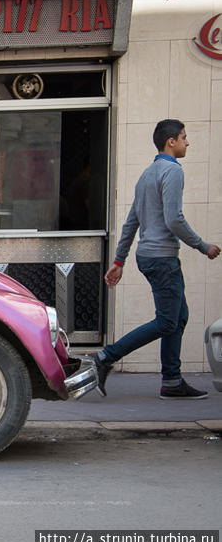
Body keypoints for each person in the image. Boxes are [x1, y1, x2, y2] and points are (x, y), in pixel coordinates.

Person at [91, 119, 220, 399]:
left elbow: (131, 222)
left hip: (147, 257)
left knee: (178, 316)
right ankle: (104, 357)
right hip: (163, 260)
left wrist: (119, 260)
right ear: (170, 141)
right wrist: (202, 246)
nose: (188, 142)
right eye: (184, 137)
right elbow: (174, 219)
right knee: (166, 322)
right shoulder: (172, 171)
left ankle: (172, 382)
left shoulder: (147, 174)